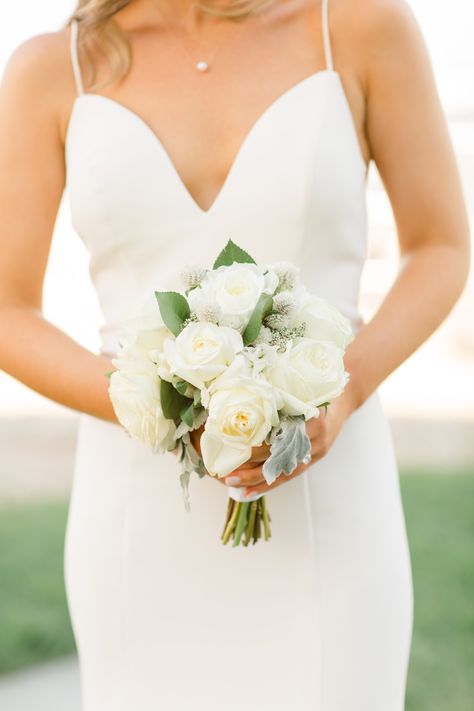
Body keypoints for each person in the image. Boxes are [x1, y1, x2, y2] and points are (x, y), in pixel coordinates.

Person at [0, 0, 469, 709]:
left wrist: (342, 390)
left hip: (329, 499)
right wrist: (160, 403)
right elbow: (7, 310)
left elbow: (441, 245)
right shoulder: (53, 66)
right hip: (139, 519)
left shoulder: (361, 27)